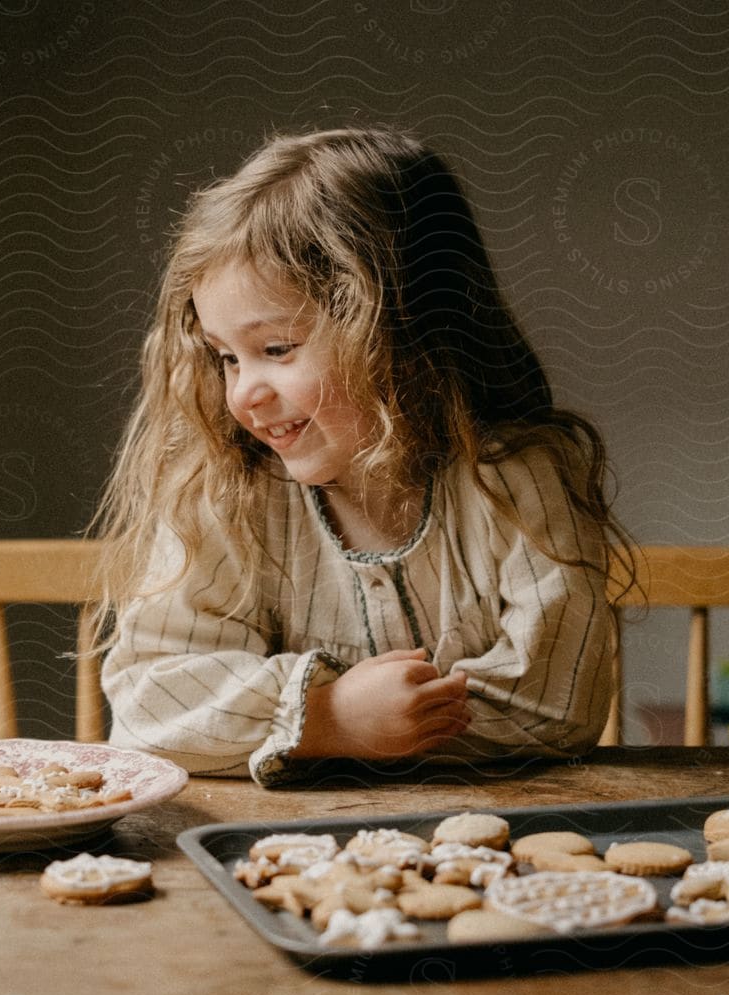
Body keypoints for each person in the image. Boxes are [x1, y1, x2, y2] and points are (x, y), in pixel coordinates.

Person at [89, 127, 635, 785]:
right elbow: (150, 704)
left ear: (399, 330)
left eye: (278, 349)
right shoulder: (231, 492)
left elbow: (555, 703)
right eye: (226, 356)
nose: (244, 393)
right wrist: (326, 719)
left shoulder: (518, 482)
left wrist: (368, 726)